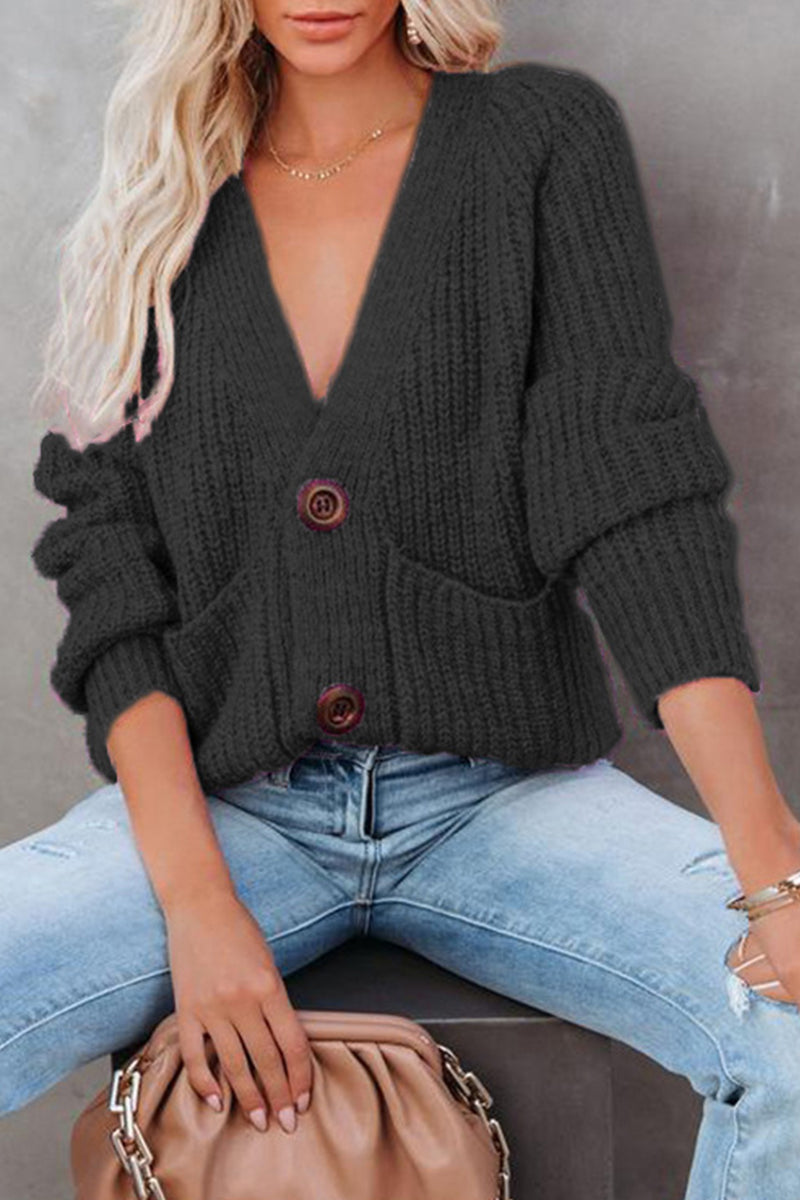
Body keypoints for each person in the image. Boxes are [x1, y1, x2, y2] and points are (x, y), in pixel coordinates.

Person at [3, 0, 799, 1193]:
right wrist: (198, 905)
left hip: (503, 801)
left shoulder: (536, 140)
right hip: (230, 809)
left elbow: (630, 495)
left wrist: (770, 865)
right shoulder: (159, 201)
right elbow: (111, 579)